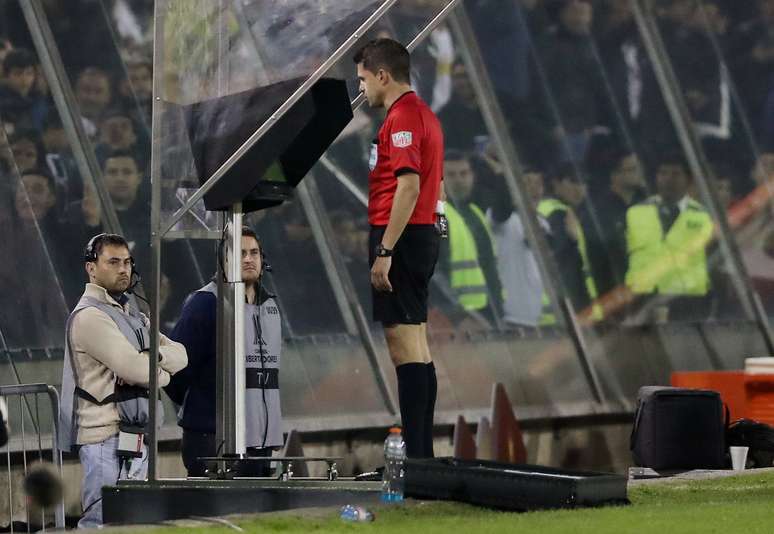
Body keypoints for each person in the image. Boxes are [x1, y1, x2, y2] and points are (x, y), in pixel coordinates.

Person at [58, 233, 187, 528]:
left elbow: (182, 355)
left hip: (133, 432)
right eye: (113, 262)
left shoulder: (132, 314)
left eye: (127, 262)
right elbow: (134, 370)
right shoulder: (90, 316)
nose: (123, 269)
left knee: (128, 521)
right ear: (91, 268)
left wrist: (151, 361)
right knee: (103, 520)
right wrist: (159, 369)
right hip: (105, 436)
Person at [355, 38, 443, 458]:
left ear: (383, 76)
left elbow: (409, 185)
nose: (362, 90)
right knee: (419, 346)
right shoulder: (426, 115)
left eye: (364, 79)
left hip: (401, 235)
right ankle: (422, 455)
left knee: (404, 346)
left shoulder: (402, 118)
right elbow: (433, 185)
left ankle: (417, 460)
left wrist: (386, 251)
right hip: (420, 232)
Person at [166, 226, 283, 477]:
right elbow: (174, 369)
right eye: (240, 253)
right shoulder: (205, 303)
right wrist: (203, 410)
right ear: (224, 260)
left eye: (254, 252)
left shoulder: (269, 305)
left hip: (259, 439)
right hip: (211, 437)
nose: (249, 259)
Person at [625, 154, 714, 322]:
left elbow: (713, 257)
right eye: (663, 173)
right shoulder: (635, 212)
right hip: (644, 297)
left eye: (675, 174)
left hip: (688, 300)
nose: (668, 179)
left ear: (688, 179)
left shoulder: (704, 216)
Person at [439, 149, 503, 326]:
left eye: (464, 173)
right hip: (462, 319)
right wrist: (456, 312)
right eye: (451, 175)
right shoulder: (438, 217)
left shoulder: (474, 212)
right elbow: (434, 271)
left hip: (490, 310)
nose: (459, 180)